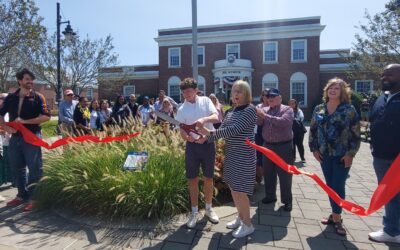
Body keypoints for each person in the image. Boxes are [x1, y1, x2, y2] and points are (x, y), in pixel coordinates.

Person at [197, 80, 257, 238]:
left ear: (246, 94)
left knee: (240, 191)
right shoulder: (231, 111)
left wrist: (208, 134)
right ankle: (241, 217)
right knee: (233, 188)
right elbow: (221, 129)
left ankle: (248, 225)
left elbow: (233, 130)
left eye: (240, 91)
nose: (236, 94)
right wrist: (204, 131)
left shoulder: (250, 110)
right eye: (235, 91)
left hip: (244, 156)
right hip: (232, 155)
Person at [309, 77, 360, 236]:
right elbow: (313, 130)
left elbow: (355, 135)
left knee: (338, 186)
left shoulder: (349, 109)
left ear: (342, 92)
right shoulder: (319, 108)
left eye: (336, 88)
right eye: (330, 88)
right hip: (324, 155)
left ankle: (337, 219)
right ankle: (334, 214)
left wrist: (350, 154)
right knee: (330, 186)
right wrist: (314, 149)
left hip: (341, 155)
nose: (332, 90)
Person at [0, 68, 51, 211]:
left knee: (35, 168)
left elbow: (46, 116)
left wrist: (25, 122)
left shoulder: (38, 97)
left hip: (33, 137)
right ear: (20, 81)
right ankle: (21, 195)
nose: (30, 82)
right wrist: (6, 127)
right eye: (27, 79)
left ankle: (34, 198)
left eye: (31, 79)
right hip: (15, 138)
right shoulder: (10, 97)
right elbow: (0, 114)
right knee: (17, 167)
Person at [175, 77, 220, 229]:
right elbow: (181, 131)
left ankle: (208, 209)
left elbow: (216, 117)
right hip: (192, 148)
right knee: (192, 179)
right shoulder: (181, 109)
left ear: (195, 90)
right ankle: (194, 212)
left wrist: (203, 120)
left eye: (189, 91)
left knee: (208, 178)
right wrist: (187, 137)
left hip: (208, 144)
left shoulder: (206, 101)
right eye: (184, 92)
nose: (186, 94)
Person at [368, 64, 400, 244]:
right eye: (383, 74)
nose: (384, 77)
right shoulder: (381, 98)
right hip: (380, 156)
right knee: (389, 194)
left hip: (398, 159)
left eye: (390, 74)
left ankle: (392, 230)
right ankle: (392, 230)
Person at [256, 88, 294, 212]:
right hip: (268, 146)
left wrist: (264, 116)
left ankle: (287, 201)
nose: (270, 98)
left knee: (285, 175)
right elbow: (259, 123)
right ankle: (270, 196)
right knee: (268, 173)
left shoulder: (287, 109)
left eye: (273, 96)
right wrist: (258, 116)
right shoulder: (264, 110)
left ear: (280, 98)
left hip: (284, 147)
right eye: (268, 96)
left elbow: (284, 122)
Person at [255, 89, 269, 184]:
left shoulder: (273, 107)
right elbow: (256, 121)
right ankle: (259, 176)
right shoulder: (258, 106)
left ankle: (267, 175)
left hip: (269, 133)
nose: (266, 97)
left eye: (268, 95)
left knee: (268, 154)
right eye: (264, 95)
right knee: (259, 154)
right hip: (259, 133)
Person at [288, 99, 306, 163]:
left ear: (295, 104)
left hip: (299, 130)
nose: (292, 104)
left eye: (293, 103)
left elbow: (301, 118)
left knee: (300, 144)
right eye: (290, 103)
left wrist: (294, 118)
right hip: (291, 130)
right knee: (292, 145)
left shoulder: (299, 110)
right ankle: (293, 158)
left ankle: (302, 157)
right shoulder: (287, 111)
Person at [0, 93, 12, 186]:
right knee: (3, 162)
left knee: (10, 161)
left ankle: (11, 179)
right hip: (2, 141)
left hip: (10, 140)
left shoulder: (9, 111)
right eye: (3, 98)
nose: (5, 100)